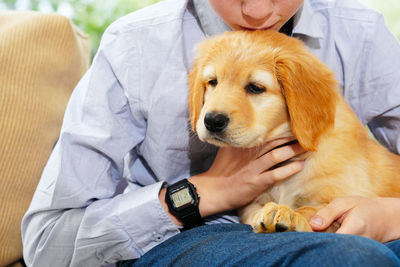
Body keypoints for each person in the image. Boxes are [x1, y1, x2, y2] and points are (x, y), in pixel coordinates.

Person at [22, 0, 400, 266]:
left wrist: (390, 214)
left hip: (344, 217)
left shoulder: (359, 31)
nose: (258, 11)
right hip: (190, 236)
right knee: (350, 258)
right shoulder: (134, 46)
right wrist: (200, 193)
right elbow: (47, 244)